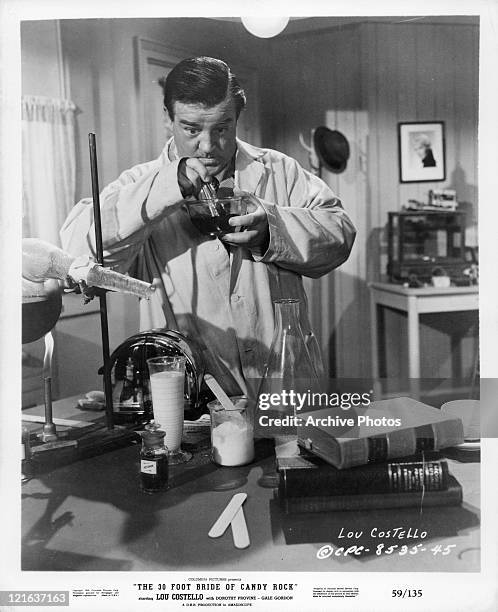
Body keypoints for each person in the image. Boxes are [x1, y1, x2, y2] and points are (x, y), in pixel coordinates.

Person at [60, 56, 356, 396]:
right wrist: (165, 189)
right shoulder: (139, 184)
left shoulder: (278, 170)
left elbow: (340, 231)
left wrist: (272, 229)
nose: (208, 146)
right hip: (194, 395)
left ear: (236, 119)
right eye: (191, 129)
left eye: (222, 128)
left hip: (285, 381)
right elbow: (78, 254)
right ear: (167, 118)